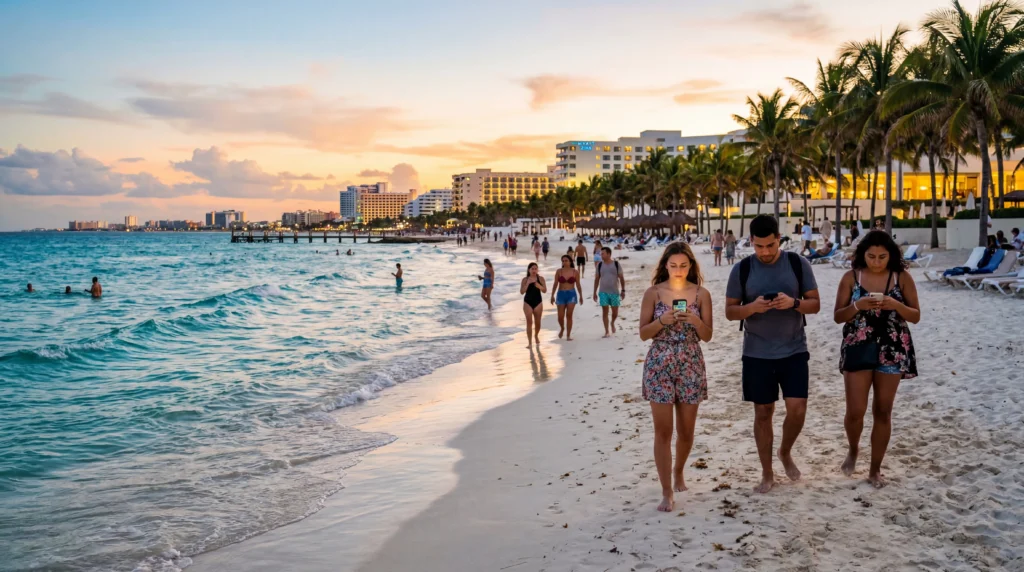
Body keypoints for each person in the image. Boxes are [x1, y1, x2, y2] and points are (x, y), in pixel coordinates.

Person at [725, 215, 820, 494]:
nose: (765, 252)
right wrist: (752, 307)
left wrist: (794, 303)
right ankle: (767, 472)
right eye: (758, 246)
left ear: (779, 238)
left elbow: (814, 305)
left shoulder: (797, 263)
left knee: (797, 409)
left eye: (770, 245)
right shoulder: (742, 269)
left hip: (794, 348)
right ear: (751, 242)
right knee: (763, 412)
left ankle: (785, 451)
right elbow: (730, 312)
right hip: (757, 352)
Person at [833, 230, 920, 488]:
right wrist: (858, 306)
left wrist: (895, 305)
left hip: (892, 348)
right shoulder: (851, 277)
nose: (877, 262)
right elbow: (838, 316)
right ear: (863, 255)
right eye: (871, 256)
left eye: (883, 257)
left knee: (883, 411)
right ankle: (853, 449)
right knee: (855, 411)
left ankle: (874, 469)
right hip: (858, 345)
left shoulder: (901, 277)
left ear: (891, 256)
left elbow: (915, 316)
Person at [638, 242, 713, 512]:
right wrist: (662, 322)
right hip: (660, 363)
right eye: (673, 265)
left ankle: (679, 469)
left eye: (683, 265)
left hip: (691, 363)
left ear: (690, 266)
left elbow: (707, 336)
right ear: (665, 266)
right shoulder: (653, 293)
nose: (678, 270)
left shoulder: (701, 294)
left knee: (686, 431)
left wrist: (694, 321)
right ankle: (666, 491)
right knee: (663, 431)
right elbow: (644, 333)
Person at [593, 247, 626, 338]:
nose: (601, 255)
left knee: (615, 312)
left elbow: (621, 278)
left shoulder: (616, 264)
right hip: (603, 291)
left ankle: (612, 322)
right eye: (601, 253)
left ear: (608, 254)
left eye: (603, 253)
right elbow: (596, 279)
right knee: (605, 311)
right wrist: (594, 292)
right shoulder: (599, 265)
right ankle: (607, 331)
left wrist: (623, 290)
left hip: (614, 292)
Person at [551, 255, 583, 340]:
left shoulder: (575, 272)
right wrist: (552, 295)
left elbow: (578, 285)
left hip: (571, 294)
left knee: (569, 315)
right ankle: (562, 328)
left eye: (566, 260)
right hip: (561, 294)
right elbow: (555, 284)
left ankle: (568, 335)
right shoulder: (559, 271)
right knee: (560, 316)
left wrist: (581, 296)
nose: (564, 262)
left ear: (570, 261)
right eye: (563, 261)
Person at [520, 263, 547, 348]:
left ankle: (536, 335)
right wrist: (527, 283)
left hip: (538, 302)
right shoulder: (525, 279)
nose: (534, 270)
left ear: (537, 270)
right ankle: (530, 342)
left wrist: (539, 286)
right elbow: (522, 292)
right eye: (532, 269)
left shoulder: (541, 279)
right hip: (527, 302)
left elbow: (544, 290)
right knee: (529, 322)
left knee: (538, 323)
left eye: (535, 269)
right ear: (529, 270)